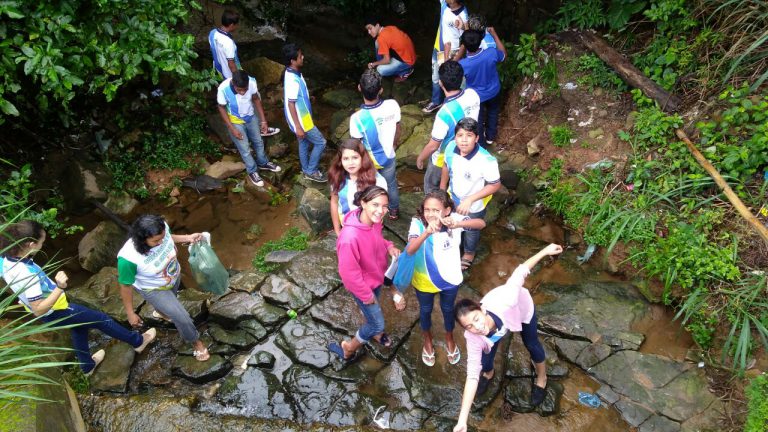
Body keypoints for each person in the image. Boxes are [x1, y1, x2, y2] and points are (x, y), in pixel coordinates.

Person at [0, 220, 157, 376]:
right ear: (30, 244)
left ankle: (87, 366)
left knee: (79, 327)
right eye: (41, 241)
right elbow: (39, 310)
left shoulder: (5, 258)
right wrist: (60, 287)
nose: (43, 244)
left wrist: (24, 296)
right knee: (101, 319)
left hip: (53, 309)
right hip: (56, 310)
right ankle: (138, 341)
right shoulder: (26, 274)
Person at [452, 243, 563, 432]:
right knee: (485, 359)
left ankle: (542, 378)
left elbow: (521, 271)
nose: (477, 327)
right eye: (469, 326)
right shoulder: (473, 336)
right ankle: (489, 373)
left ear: (482, 309)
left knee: (532, 344)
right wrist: (462, 420)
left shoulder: (506, 300)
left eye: (476, 319)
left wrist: (545, 251)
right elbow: (471, 376)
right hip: (497, 330)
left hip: (521, 311)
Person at [401, 191, 485, 367]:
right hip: (425, 279)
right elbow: (409, 250)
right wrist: (426, 233)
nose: (431, 214)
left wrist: (458, 223)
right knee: (425, 310)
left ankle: (449, 337)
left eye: (436, 209)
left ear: (447, 210)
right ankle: (428, 340)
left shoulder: (454, 219)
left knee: (448, 309)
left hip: (450, 279)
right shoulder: (417, 223)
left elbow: (481, 223)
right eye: (427, 209)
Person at [117, 214, 209, 361]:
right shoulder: (128, 259)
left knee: (171, 303)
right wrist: (130, 313)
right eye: (156, 241)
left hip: (173, 275)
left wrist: (188, 237)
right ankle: (196, 342)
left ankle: (161, 311)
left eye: (162, 238)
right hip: (154, 289)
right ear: (142, 239)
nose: (161, 242)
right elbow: (125, 286)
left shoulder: (161, 228)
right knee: (183, 318)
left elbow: (169, 237)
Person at [328, 186, 402, 361]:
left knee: (373, 313)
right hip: (363, 287)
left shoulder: (374, 222)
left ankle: (376, 333)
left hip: (376, 279)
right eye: (375, 205)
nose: (381, 211)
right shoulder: (349, 238)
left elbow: (377, 240)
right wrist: (365, 294)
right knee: (377, 322)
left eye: (385, 206)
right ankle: (349, 348)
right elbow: (348, 274)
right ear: (363, 203)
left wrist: (389, 246)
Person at [441, 117, 500, 270]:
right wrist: (441, 191)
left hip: (475, 203)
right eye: (460, 135)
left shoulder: (486, 160)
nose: (464, 140)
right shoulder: (450, 148)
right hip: (452, 196)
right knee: (451, 222)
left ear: (477, 138)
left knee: (472, 228)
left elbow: (495, 184)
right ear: (455, 137)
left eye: (469, 135)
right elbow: (446, 166)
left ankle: (469, 252)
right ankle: (453, 244)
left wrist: (470, 200)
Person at [416, 61, 480, 194]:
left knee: (431, 187)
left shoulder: (444, 113)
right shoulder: (473, 95)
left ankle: (434, 209)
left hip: (443, 157)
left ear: (440, 83)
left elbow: (434, 145)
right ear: (462, 78)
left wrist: (421, 158)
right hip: (467, 149)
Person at [349, 69, 402, 220]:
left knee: (370, 188)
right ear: (381, 89)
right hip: (389, 156)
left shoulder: (356, 119)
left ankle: (372, 215)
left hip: (369, 162)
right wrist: (394, 145)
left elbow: (357, 146)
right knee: (391, 185)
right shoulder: (392, 105)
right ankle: (393, 211)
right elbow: (398, 128)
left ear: (359, 88)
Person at [217, 70, 282, 187]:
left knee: (258, 141)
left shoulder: (251, 83)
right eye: (239, 90)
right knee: (245, 148)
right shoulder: (223, 89)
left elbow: (256, 99)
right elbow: (221, 108)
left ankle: (263, 162)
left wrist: (263, 121)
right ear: (233, 83)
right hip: (235, 122)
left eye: (245, 89)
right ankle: (252, 171)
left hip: (251, 117)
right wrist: (232, 129)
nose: (242, 93)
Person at [282, 43, 327, 183]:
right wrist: (298, 127)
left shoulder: (292, 72)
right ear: (292, 61)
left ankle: (306, 168)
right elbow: (290, 103)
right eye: (300, 56)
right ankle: (311, 170)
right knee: (321, 143)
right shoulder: (292, 80)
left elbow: (296, 97)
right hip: (302, 121)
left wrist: (308, 98)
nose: (303, 57)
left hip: (302, 117)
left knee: (304, 143)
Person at [329, 138, 388, 235]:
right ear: (340, 160)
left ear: (363, 158)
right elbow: (334, 203)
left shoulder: (377, 181)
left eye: (355, 157)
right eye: (346, 158)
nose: (350, 163)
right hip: (347, 228)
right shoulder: (337, 178)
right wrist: (337, 231)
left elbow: (381, 209)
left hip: (370, 229)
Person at [459, 28, 506, 146]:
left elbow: (450, 68)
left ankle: (480, 144)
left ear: (464, 45)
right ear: (480, 41)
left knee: (478, 120)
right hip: (494, 91)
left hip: (476, 97)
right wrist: (494, 34)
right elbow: (504, 55)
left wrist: (461, 49)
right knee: (493, 111)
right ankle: (490, 136)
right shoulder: (491, 53)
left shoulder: (463, 64)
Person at [423, 0, 468, 113]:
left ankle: (457, 106)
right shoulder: (444, 4)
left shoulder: (462, 14)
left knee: (454, 78)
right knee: (436, 77)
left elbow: (467, 37)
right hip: (439, 47)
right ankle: (436, 101)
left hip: (454, 51)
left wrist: (457, 58)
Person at [209, 10, 241, 80]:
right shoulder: (228, 42)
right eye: (237, 24)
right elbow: (231, 64)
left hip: (219, 69)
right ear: (232, 25)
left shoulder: (212, 33)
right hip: (229, 75)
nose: (237, 26)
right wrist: (238, 78)